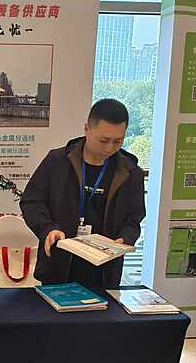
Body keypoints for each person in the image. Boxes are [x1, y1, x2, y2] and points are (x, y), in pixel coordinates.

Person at [21, 98, 145, 289]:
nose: (109, 148)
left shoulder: (130, 172)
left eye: (117, 141)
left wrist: (124, 238)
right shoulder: (58, 161)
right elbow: (32, 201)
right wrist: (48, 229)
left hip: (104, 271)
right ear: (87, 129)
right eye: (103, 140)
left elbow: (134, 217)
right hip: (59, 264)